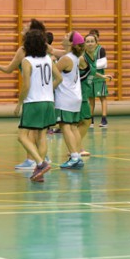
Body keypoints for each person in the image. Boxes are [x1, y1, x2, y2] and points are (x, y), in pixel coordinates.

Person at [0, 18, 50, 169]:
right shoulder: (45, 50)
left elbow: (10, 70)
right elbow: (58, 71)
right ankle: (41, 159)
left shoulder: (23, 51)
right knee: (40, 133)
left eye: (27, 26)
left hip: (33, 97)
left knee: (27, 134)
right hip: (47, 96)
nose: (23, 27)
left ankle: (33, 160)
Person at [15, 29, 62, 182]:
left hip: (33, 102)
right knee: (42, 136)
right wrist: (48, 90)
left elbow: (26, 86)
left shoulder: (27, 61)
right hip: (48, 102)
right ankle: (39, 170)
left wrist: (19, 103)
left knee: (22, 136)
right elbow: (59, 78)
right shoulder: (48, 59)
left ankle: (41, 163)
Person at [55, 32, 86, 169]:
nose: (63, 36)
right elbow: (53, 50)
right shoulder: (74, 57)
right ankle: (77, 156)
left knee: (65, 126)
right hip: (75, 96)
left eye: (66, 35)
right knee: (73, 127)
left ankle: (74, 157)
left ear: (71, 43)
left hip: (65, 97)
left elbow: (52, 72)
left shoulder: (66, 59)